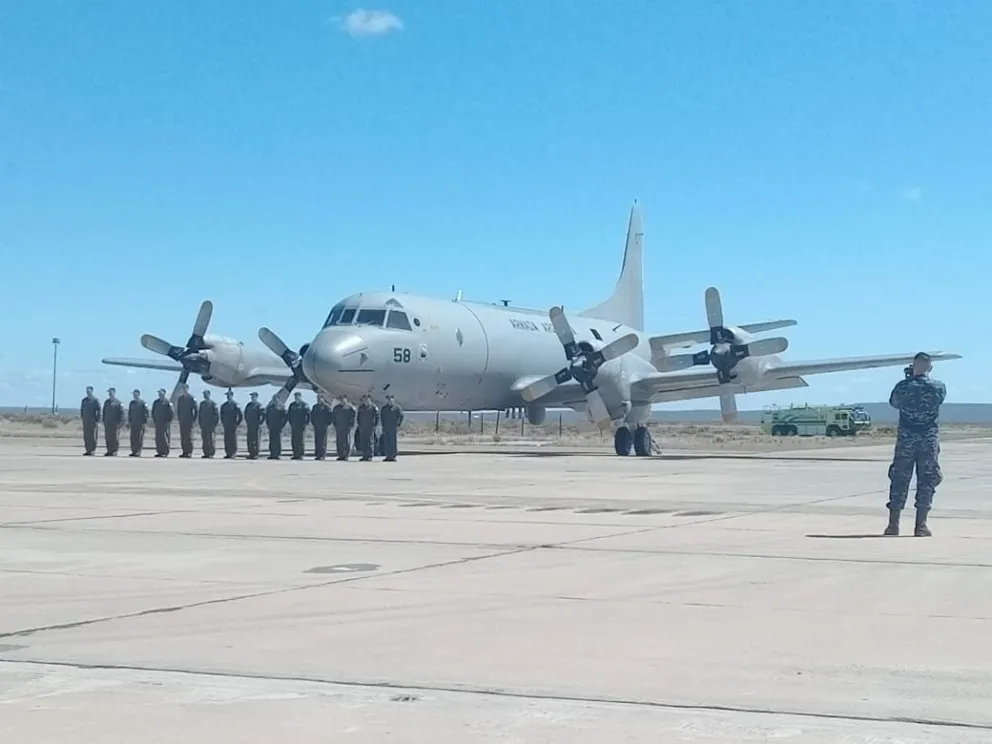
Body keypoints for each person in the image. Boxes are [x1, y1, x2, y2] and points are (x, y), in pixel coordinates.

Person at [885, 352, 947, 537]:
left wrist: (909, 379)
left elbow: (894, 403)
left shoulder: (903, 387)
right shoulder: (938, 387)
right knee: (927, 480)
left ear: (913, 366)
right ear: (930, 367)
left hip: (906, 438)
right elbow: (939, 401)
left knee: (899, 478)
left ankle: (893, 524)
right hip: (928, 439)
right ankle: (921, 525)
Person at [379, 393, 404, 462]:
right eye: (388, 399)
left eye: (390, 399)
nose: (389, 400)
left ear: (393, 399)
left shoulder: (397, 408)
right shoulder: (384, 409)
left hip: (393, 427)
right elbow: (382, 418)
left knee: (392, 442)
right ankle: (388, 456)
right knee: (387, 442)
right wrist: (383, 426)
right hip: (386, 427)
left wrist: (398, 425)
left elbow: (401, 416)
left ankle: (393, 456)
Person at [175, 384, 198, 458]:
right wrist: (179, 418)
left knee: (189, 437)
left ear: (188, 389)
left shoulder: (191, 398)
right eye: (183, 389)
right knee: (183, 436)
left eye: (185, 388)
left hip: (189, 420)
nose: (184, 390)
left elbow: (196, 410)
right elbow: (178, 410)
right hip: (182, 420)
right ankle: (184, 451)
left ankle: (189, 452)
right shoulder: (180, 399)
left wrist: (194, 419)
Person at [287, 391, 311, 460]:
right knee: (294, 440)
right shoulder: (292, 405)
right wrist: (291, 423)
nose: (296, 397)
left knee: (300, 441)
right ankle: (295, 454)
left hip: (301, 426)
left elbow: (308, 415)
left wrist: (306, 423)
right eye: (295, 396)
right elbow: (289, 415)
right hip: (294, 425)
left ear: (300, 397)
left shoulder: (304, 405)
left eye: (298, 396)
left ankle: (300, 454)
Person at [332, 395, 356, 461]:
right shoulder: (336, 408)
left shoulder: (350, 407)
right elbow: (334, 417)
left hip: (347, 427)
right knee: (339, 441)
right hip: (339, 427)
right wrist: (335, 425)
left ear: (346, 399)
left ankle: (346, 455)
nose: (342, 400)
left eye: (343, 399)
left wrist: (351, 426)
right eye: (340, 399)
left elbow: (353, 418)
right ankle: (340, 455)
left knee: (346, 441)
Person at [101, 387, 125, 456]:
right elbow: (104, 412)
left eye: (111, 392)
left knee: (115, 438)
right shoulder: (107, 402)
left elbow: (122, 413)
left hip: (115, 424)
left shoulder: (118, 402)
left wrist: (120, 422)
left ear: (114, 392)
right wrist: (104, 420)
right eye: (109, 392)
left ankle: (114, 451)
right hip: (108, 423)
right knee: (108, 437)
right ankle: (109, 450)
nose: (110, 393)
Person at [356, 394, 379, 461]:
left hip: (370, 427)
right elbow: (358, 417)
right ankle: (364, 455)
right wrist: (359, 424)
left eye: (366, 399)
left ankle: (369, 455)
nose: (365, 401)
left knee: (370, 441)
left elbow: (377, 416)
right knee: (363, 441)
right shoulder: (361, 407)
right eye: (364, 399)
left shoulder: (373, 407)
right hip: (363, 427)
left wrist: (374, 425)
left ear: (369, 399)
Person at [220, 390, 243, 459]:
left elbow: (240, 415)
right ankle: (228, 453)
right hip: (226, 425)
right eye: (227, 395)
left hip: (233, 425)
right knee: (226, 439)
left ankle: (233, 453)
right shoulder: (224, 405)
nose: (228, 397)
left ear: (232, 396)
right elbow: (221, 415)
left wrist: (237, 423)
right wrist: (223, 422)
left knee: (233, 439)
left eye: (229, 395)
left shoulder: (235, 405)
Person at [151, 388, 174, 457]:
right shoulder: (156, 402)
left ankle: (165, 452)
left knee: (165, 437)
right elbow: (153, 412)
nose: (159, 394)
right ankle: (159, 451)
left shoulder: (168, 402)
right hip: (158, 422)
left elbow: (171, 413)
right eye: (159, 393)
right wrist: (155, 420)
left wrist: (168, 421)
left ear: (164, 393)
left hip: (165, 423)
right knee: (158, 437)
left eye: (161, 393)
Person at [80, 386, 101, 456]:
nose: (88, 393)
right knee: (86, 436)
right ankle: (88, 450)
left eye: (89, 391)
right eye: (87, 391)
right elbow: (82, 410)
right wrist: (82, 417)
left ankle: (92, 450)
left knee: (92, 436)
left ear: (92, 391)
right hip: (86, 421)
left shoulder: (95, 400)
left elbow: (99, 410)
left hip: (93, 421)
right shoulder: (84, 400)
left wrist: (97, 419)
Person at [310, 395, 333, 460]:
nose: (318, 400)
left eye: (320, 398)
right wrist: (313, 423)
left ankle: (322, 455)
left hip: (323, 426)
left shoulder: (326, 407)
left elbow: (330, 416)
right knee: (317, 440)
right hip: (317, 426)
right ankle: (318, 454)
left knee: (323, 441)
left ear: (323, 399)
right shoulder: (315, 407)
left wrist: (327, 424)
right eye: (317, 398)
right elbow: (312, 416)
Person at [128, 389, 149, 457]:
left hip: (140, 423)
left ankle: (138, 451)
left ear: (139, 394)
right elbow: (130, 413)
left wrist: (144, 422)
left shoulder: (143, 403)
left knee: (139, 438)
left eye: (136, 394)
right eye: (134, 395)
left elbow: (146, 413)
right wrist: (129, 421)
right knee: (133, 437)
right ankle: (134, 451)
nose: (134, 396)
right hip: (133, 423)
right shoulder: (132, 403)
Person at [198, 390, 219, 458]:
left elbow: (216, 415)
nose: (205, 395)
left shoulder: (213, 404)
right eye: (204, 394)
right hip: (204, 424)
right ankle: (206, 452)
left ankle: (211, 453)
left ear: (209, 395)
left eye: (206, 394)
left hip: (210, 425)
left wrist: (214, 424)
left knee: (211, 439)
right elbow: (200, 414)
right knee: (204, 439)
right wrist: (200, 423)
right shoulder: (202, 404)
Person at [265, 395, 287, 460]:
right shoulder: (270, 407)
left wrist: (282, 425)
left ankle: (277, 454)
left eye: (276, 399)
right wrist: (268, 424)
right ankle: (272, 453)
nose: (275, 400)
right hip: (271, 426)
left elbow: (285, 417)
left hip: (278, 427)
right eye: (274, 399)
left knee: (277, 440)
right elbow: (267, 417)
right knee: (271, 440)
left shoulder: (281, 408)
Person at [244, 392, 265, 459]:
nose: (252, 398)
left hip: (256, 426)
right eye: (251, 397)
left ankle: (255, 453)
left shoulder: (259, 405)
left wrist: (260, 423)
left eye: (253, 396)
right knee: (250, 440)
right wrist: (247, 421)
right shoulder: (249, 405)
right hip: (250, 425)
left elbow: (264, 415)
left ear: (256, 397)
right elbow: (245, 413)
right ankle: (251, 453)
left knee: (256, 440)